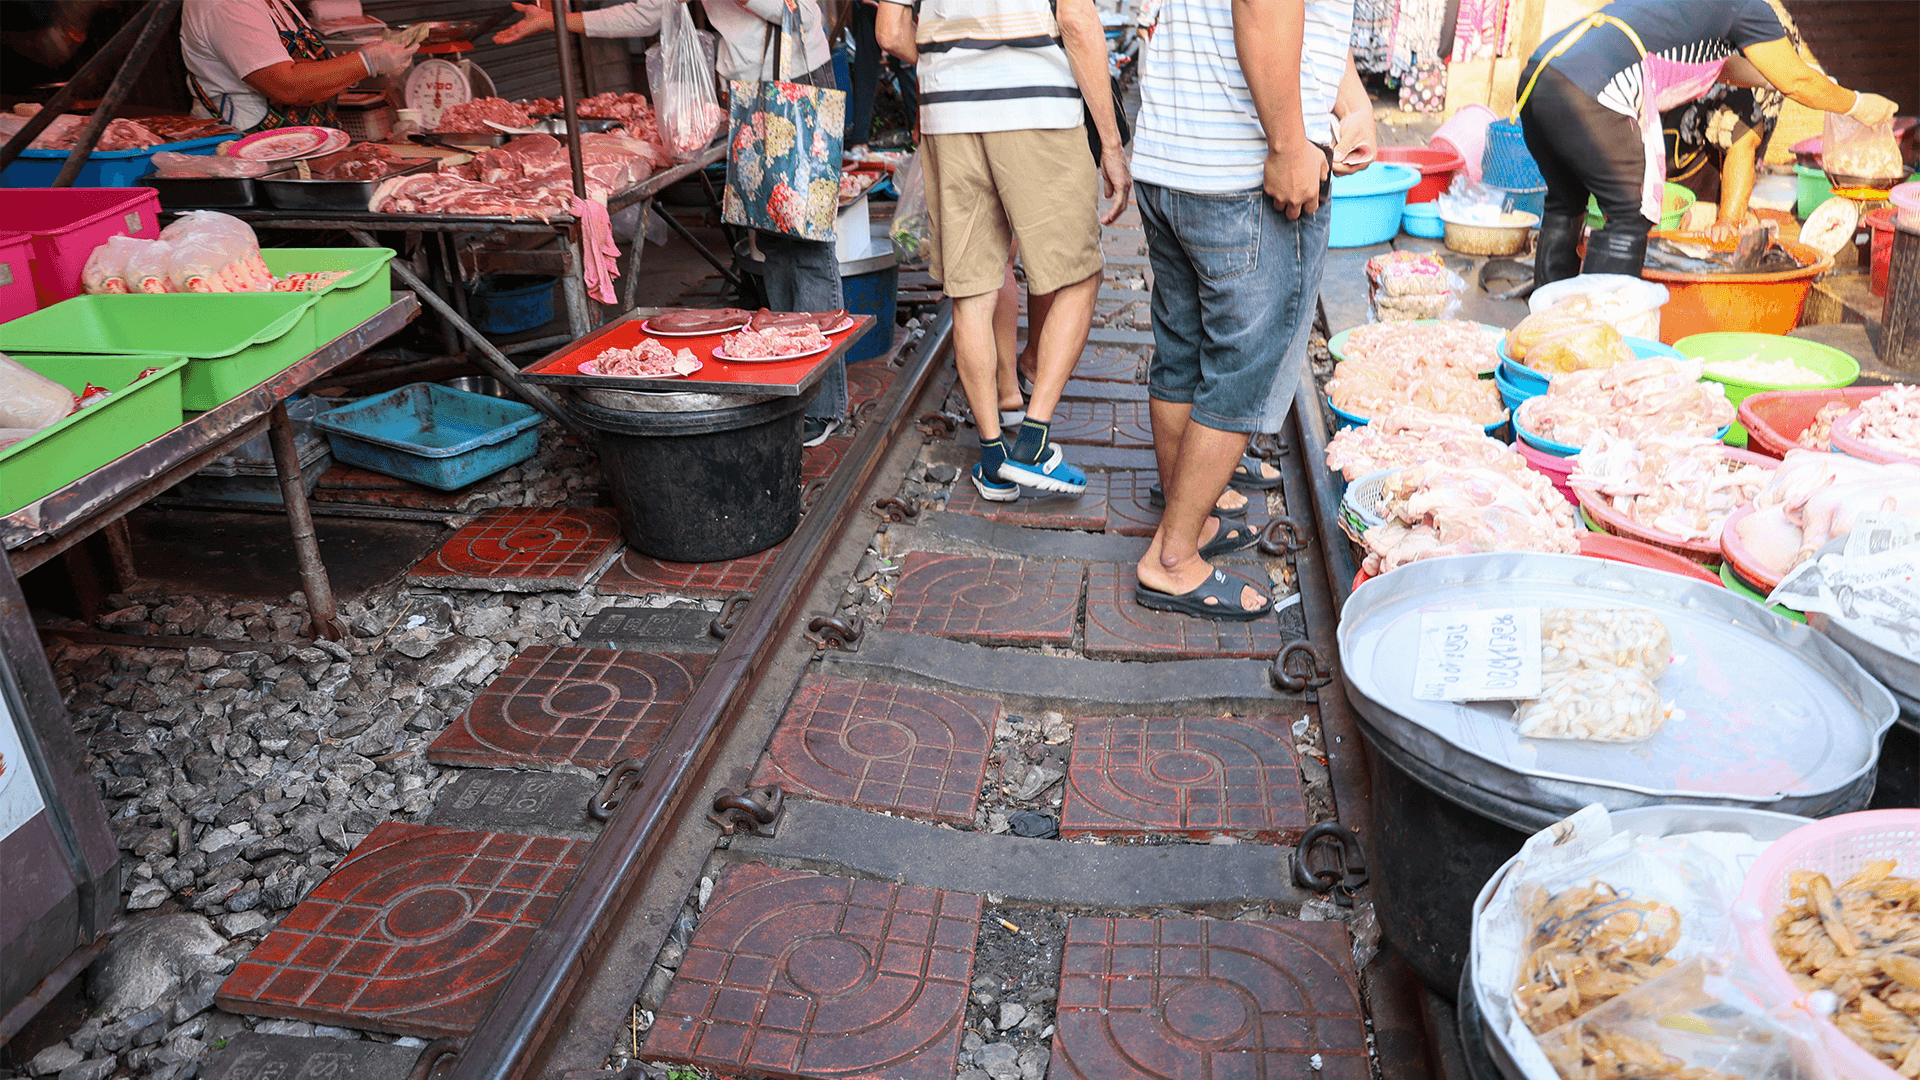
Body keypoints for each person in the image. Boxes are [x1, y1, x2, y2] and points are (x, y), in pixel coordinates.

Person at [499, 0, 849, 443]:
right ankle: (790, 382)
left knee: (806, 242)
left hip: (795, 79)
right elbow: (652, 11)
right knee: (775, 244)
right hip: (747, 89)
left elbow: (799, 14)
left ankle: (824, 406)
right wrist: (557, 21)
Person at [1129, 0, 1373, 620]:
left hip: (1172, 156)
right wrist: (1291, 145)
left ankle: (1192, 520)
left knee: (1183, 350)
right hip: (1239, 168)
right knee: (1244, 371)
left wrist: (1352, 101)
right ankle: (1173, 558)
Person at [875, 0, 1129, 502]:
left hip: (948, 115)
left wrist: (951, 60)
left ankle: (993, 458)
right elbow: (1077, 21)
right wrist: (1113, 147)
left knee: (972, 289)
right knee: (1078, 274)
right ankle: (1031, 444)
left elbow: (890, 31)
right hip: (1036, 108)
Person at [1518, 0, 1899, 287]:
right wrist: (1859, 105)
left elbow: (1722, 67)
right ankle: (1599, 339)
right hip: (1593, 92)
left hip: (1539, 77)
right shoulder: (1747, 7)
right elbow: (1796, 82)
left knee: (1566, 203)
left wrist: (1788, 78)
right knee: (1629, 216)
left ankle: (1547, 322)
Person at [1659, 1, 1810, 244]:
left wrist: (1727, 220)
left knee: (1739, 131)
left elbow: (1744, 140)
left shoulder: (1723, 63)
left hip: (1739, 57)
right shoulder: (1645, 48)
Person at [180, 0, 416, 132]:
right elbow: (286, 85)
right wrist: (366, 62)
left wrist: (362, 58)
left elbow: (308, 65)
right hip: (252, 151)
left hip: (298, 146)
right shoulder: (226, 4)